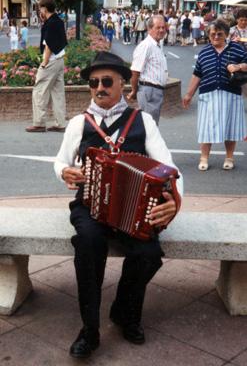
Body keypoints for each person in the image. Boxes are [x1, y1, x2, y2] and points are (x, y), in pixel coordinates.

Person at [54, 51, 183, 359]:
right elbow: (60, 161)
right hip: (90, 206)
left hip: (134, 211)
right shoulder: (78, 123)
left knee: (149, 253)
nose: (99, 87)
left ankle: (124, 311)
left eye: (107, 81)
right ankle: (90, 329)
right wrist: (64, 172)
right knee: (88, 243)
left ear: (123, 83)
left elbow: (169, 167)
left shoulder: (143, 121)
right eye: (93, 82)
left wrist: (174, 202)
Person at [182, 19, 247, 171]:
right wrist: (188, 94)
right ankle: (204, 158)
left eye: (220, 34)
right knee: (206, 128)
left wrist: (238, 66)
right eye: (213, 34)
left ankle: (229, 157)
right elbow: (197, 75)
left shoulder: (236, 48)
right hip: (208, 95)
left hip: (231, 94)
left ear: (226, 34)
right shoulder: (204, 52)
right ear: (208, 35)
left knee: (231, 127)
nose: (216, 37)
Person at [26, 0, 67, 133]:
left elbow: (48, 44)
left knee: (39, 91)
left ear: (45, 9)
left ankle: (39, 123)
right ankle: (60, 123)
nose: (39, 12)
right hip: (60, 60)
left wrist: (44, 63)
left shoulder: (50, 23)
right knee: (58, 93)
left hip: (51, 61)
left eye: (40, 9)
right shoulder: (59, 21)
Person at [127, 15, 168, 124]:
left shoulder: (156, 45)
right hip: (149, 91)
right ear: (149, 29)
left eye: (163, 27)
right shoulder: (146, 46)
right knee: (149, 128)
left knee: (151, 127)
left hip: (155, 91)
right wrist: (134, 91)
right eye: (158, 27)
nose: (162, 30)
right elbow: (135, 72)